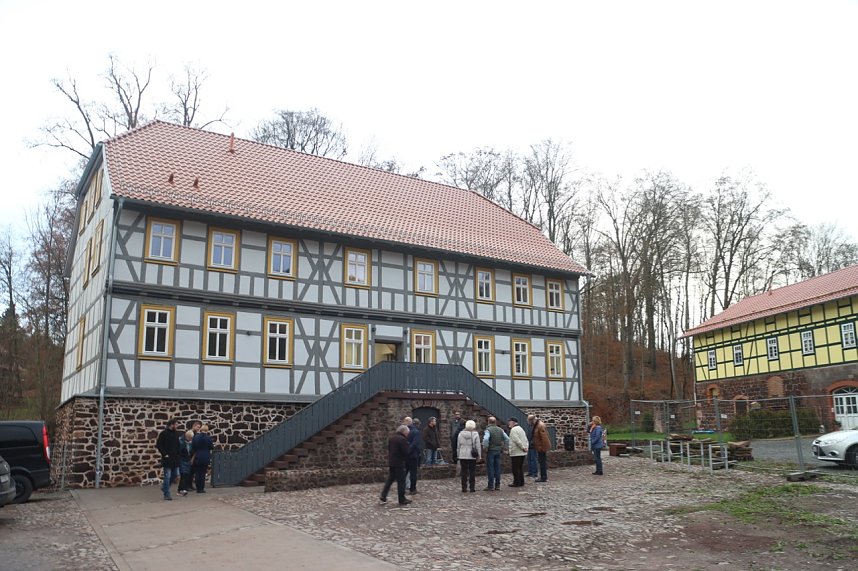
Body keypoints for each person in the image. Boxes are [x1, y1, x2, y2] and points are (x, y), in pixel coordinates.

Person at [380, 425, 411, 505]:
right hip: (399, 462)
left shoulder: (392, 438)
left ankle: (383, 495)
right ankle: (402, 499)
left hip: (392, 462)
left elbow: (390, 449)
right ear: (404, 432)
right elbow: (406, 452)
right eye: (407, 433)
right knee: (401, 481)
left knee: (390, 479)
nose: (407, 435)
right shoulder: (402, 439)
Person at [155, 418, 181, 500]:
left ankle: (164, 487)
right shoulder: (164, 433)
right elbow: (159, 445)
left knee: (175, 474)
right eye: (176, 425)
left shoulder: (177, 434)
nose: (176, 426)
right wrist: (164, 454)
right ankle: (167, 494)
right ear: (171, 424)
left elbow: (178, 445)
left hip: (175, 458)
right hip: (167, 458)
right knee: (167, 476)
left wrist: (178, 453)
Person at [482, 416, 509, 491]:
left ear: (488, 422)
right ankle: (497, 485)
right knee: (497, 468)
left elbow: (486, 439)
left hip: (491, 450)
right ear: (495, 422)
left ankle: (491, 485)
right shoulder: (500, 430)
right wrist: (505, 448)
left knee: (490, 468)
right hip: (498, 450)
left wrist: (485, 447)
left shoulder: (488, 430)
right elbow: (507, 439)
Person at [457, 420, 480, 492]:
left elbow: (458, 445)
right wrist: (479, 456)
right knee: (472, 471)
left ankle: (464, 488)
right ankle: (472, 487)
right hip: (472, 455)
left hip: (462, 454)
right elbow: (478, 446)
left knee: (464, 471)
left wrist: (458, 454)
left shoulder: (460, 434)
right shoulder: (475, 434)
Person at [191, 424, 214, 493]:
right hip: (205, 456)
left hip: (197, 456)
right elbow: (211, 447)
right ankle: (201, 488)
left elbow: (193, 447)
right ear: (207, 430)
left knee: (198, 473)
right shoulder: (208, 438)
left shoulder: (196, 437)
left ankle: (198, 488)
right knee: (203, 473)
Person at [507, 417, 528, 487]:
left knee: (515, 468)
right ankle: (521, 481)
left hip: (516, 452)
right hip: (522, 452)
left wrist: (523, 447)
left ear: (513, 422)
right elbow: (525, 439)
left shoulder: (513, 429)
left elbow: (516, 440)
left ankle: (516, 482)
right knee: (520, 468)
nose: (508, 423)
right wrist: (525, 447)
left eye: (509, 422)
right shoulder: (521, 429)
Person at [405, 416, 422, 494]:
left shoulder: (405, 431)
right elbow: (415, 444)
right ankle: (412, 489)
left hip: (405, 455)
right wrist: (409, 451)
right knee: (413, 473)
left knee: (404, 472)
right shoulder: (416, 432)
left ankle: (402, 487)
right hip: (413, 455)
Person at [531, 415, 551, 482]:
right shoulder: (538, 425)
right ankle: (543, 476)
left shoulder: (540, 426)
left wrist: (544, 447)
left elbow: (544, 437)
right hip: (540, 446)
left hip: (541, 447)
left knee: (542, 462)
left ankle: (544, 477)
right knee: (541, 461)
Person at [177, 430, 194, 496]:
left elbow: (192, 451)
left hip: (188, 459)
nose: (191, 439)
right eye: (190, 438)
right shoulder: (181, 441)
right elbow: (179, 451)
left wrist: (191, 458)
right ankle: (182, 489)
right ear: (187, 436)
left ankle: (183, 488)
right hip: (182, 459)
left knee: (187, 474)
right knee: (183, 474)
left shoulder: (190, 442)